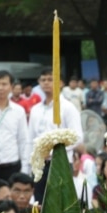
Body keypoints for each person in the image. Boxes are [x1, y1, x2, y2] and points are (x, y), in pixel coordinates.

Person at [25, 71, 83, 203]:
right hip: (39, 164)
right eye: (43, 79)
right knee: (39, 202)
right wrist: (27, 165)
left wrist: (52, 151)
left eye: (50, 79)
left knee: (59, 202)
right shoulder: (35, 109)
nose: (46, 82)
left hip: (60, 162)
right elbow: (30, 139)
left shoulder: (68, 107)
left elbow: (78, 137)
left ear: (61, 83)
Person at [0, 71, 29, 182]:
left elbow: (23, 139)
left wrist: (25, 167)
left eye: (4, 84)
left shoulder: (18, 111)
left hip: (11, 164)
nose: (0, 88)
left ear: (11, 87)